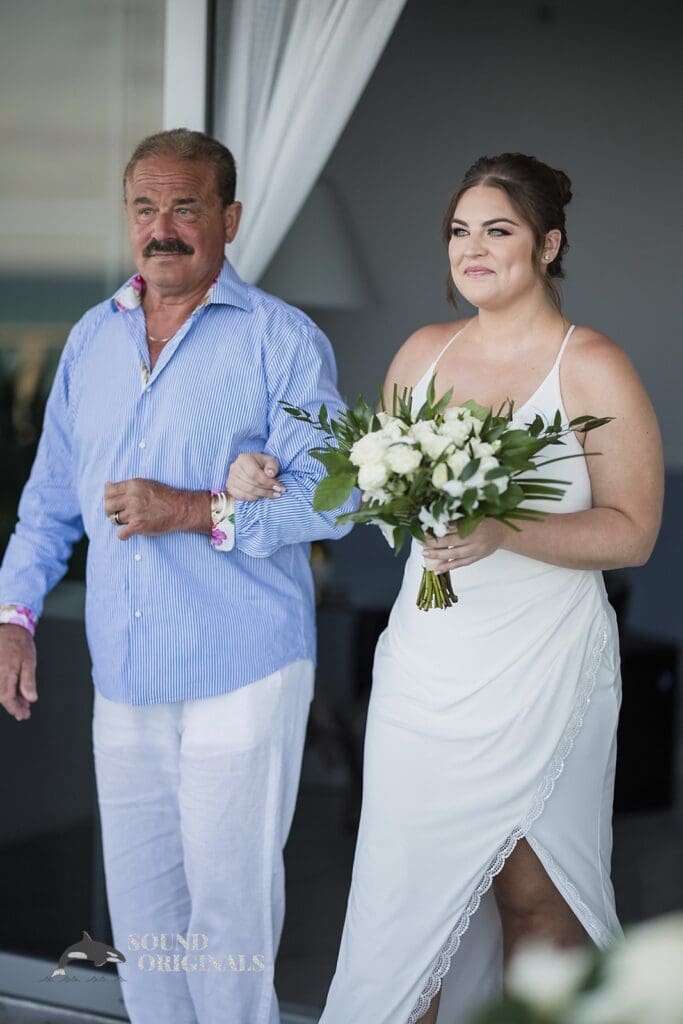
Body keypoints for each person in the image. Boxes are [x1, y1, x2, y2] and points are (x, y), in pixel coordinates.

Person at [234, 153, 664, 1023]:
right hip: (426, 668)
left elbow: (634, 532)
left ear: (547, 244)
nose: (471, 248)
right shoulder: (422, 355)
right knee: (405, 914)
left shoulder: (593, 367)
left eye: (496, 229)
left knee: (536, 901)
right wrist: (268, 479)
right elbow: (369, 490)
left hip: (545, 669)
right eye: (460, 230)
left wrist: (505, 528)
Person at [0, 128, 354, 1024]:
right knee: (147, 928)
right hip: (124, 677)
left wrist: (193, 508)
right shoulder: (90, 339)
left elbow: (336, 500)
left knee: (228, 925)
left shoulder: (282, 340)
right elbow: (46, 504)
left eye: (185, 208)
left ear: (228, 219)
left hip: (242, 667)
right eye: (145, 208)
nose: (162, 229)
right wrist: (15, 614)